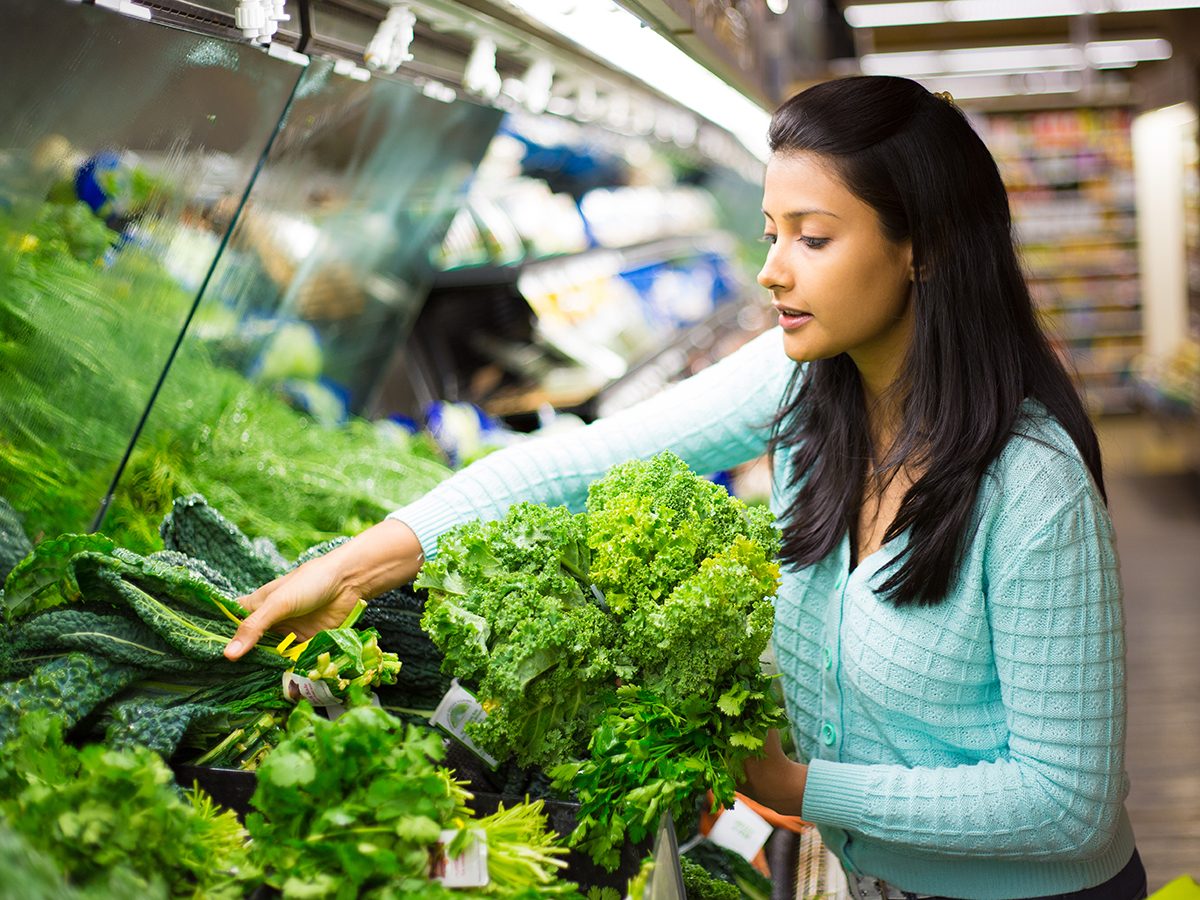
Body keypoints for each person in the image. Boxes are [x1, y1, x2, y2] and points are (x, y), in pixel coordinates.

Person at [223, 76, 1144, 900]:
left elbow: (1067, 805)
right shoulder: (810, 388)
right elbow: (579, 464)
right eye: (771, 232)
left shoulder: (1034, 490)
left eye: (814, 238)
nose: (771, 269)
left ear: (926, 247)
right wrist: (353, 569)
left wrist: (801, 787)